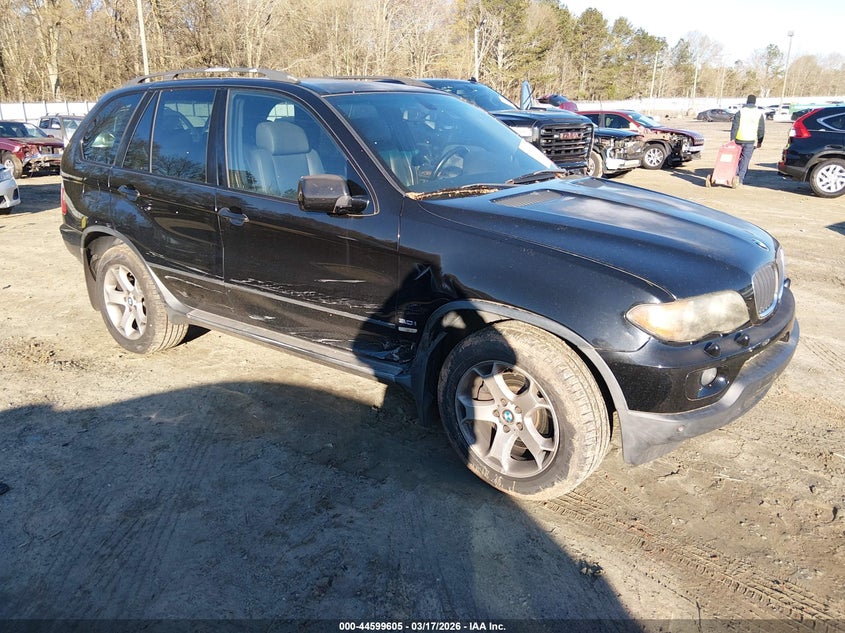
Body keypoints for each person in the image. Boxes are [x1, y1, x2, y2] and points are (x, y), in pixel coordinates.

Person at [730, 94, 765, 186]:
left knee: (736, 159)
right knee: (745, 160)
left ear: (747, 101)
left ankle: (733, 175)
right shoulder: (759, 113)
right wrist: (760, 141)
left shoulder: (740, 111)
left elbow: (735, 126)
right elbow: (761, 128)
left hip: (738, 139)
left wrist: (732, 139)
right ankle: (740, 180)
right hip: (750, 140)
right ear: (755, 102)